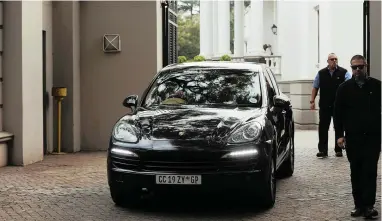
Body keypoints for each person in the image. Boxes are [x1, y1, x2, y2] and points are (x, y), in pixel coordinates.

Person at [333, 54, 381, 218]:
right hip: (353, 138)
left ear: (366, 66)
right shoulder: (344, 88)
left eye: (361, 67)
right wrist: (339, 135)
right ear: (351, 68)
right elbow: (337, 113)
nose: (358, 70)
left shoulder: (377, 86)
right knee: (356, 171)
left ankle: (369, 206)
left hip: (373, 137)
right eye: (355, 67)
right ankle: (358, 205)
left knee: (370, 171)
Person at [310, 53, 352, 158]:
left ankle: (339, 149)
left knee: (339, 127)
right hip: (325, 105)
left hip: (339, 106)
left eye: (335, 59)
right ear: (328, 61)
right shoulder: (321, 73)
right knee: (323, 127)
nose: (334, 61)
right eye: (332, 59)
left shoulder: (344, 72)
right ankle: (323, 150)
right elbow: (315, 87)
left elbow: (350, 86)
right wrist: (312, 101)